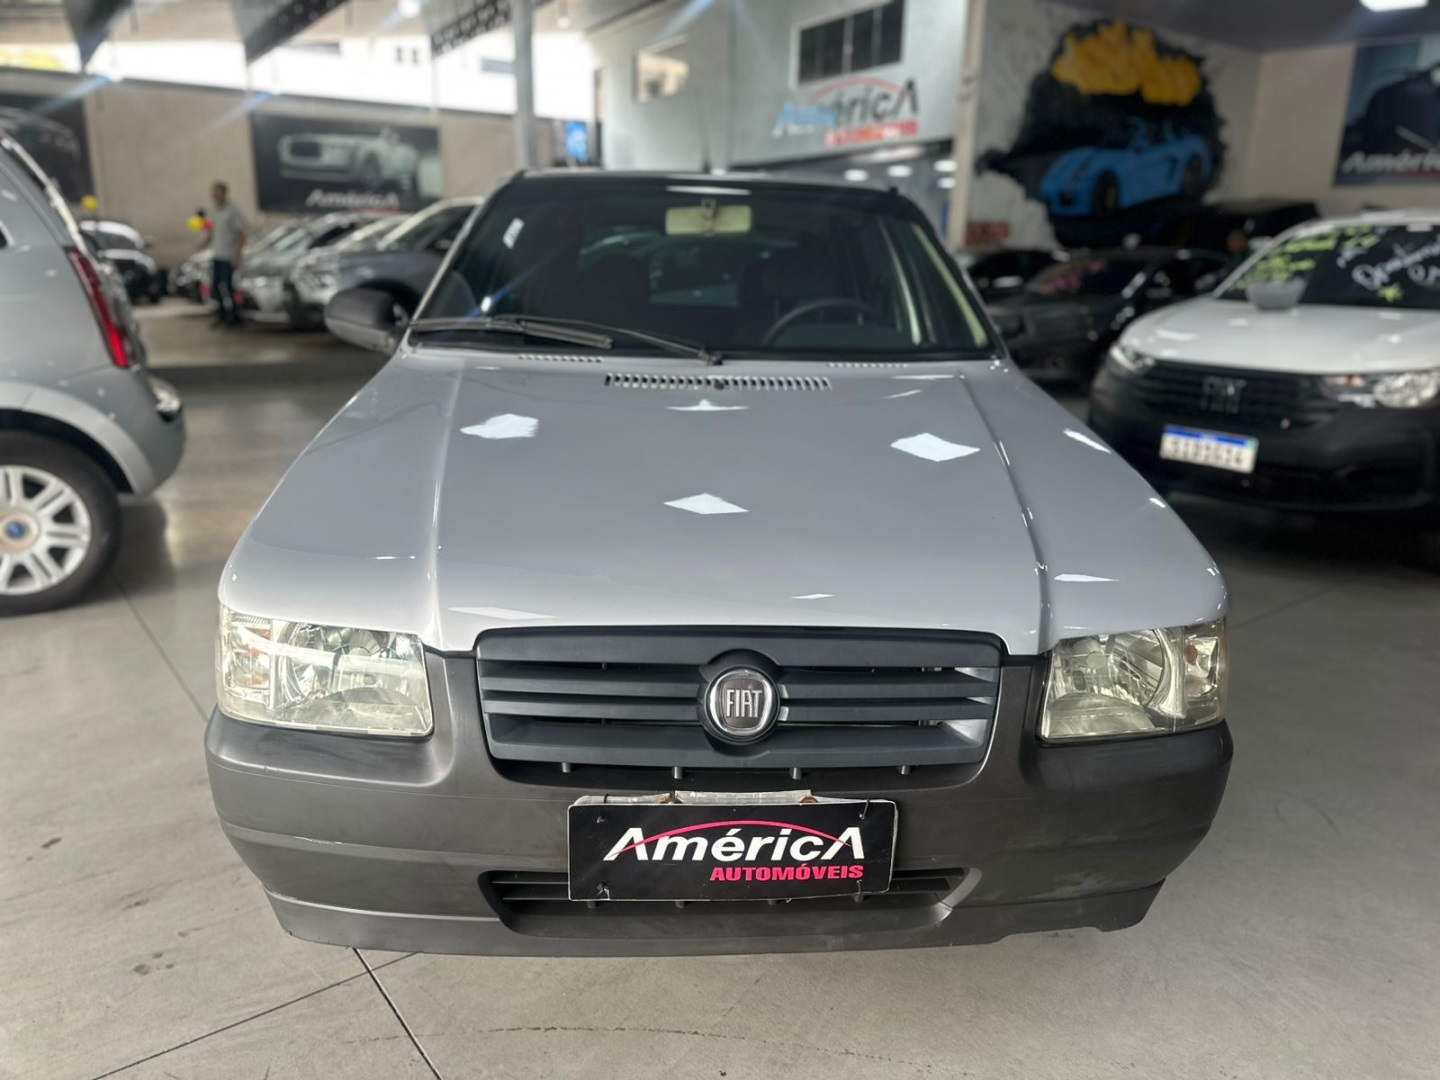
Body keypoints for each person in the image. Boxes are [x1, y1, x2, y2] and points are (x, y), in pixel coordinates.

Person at [208, 182, 248, 328]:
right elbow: (212, 232)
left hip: (228, 256)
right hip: (217, 255)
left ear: (224, 193)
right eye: (213, 192)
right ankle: (222, 314)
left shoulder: (232, 210)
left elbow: (241, 234)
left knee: (229, 288)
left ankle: (234, 316)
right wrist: (204, 243)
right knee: (216, 288)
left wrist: (238, 255)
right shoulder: (214, 211)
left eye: (216, 192)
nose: (213, 195)